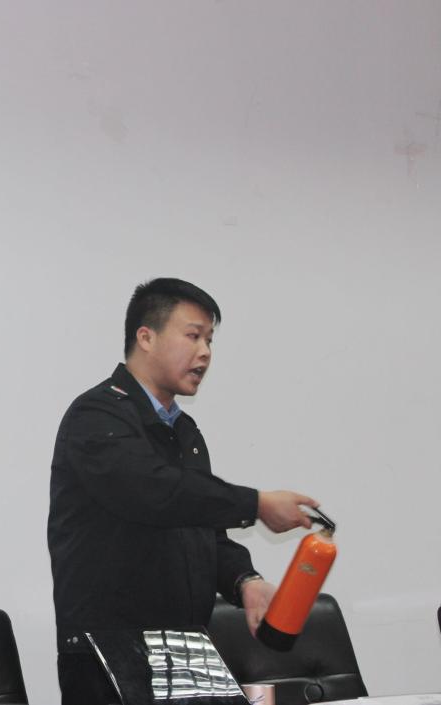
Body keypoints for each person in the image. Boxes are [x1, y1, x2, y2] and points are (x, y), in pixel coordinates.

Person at [48, 278, 319, 705]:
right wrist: (257, 504)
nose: (205, 352)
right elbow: (156, 492)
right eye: (193, 336)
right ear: (146, 337)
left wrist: (244, 581)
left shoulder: (183, 431)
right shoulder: (97, 415)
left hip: (183, 647)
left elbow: (202, 529)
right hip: (109, 650)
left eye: (210, 340)